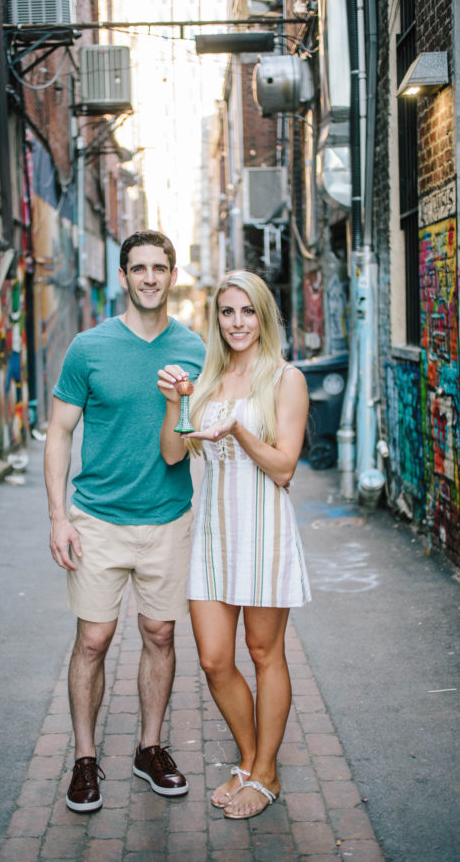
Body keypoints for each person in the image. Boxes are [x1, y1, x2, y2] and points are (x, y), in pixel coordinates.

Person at [44, 230, 205, 813]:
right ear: (124, 275)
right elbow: (60, 432)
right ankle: (86, 759)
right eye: (138, 268)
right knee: (93, 638)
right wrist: (59, 517)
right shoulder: (89, 348)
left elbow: (189, 443)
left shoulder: (194, 349)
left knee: (160, 635)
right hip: (97, 520)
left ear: (172, 273)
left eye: (159, 267)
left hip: (167, 518)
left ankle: (149, 747)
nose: (149, 278)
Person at [158, 269, 311, 821]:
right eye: (227, 312)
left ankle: (265, 771)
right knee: (214, 659)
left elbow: (286, 468)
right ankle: (250, 759)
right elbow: (175, 454)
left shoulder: (284, 379)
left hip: (264, 530)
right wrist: (177, 403)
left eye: (247, 311)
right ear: (216, 319)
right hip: (214, 533)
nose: (237, 322)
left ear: (263, 316)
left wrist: (240, 433)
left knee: (265, 653)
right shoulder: (208, 380)